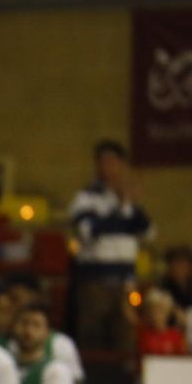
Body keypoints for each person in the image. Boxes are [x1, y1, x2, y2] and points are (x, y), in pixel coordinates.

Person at [69, 140, 151, 351]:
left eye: (114, 162)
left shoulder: (128, 201)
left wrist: (130, 206)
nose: (109, 167)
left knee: (124, 337)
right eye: (104, 162)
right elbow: (87, 231)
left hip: (126, 283)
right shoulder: (86, 197)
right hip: (96, 282)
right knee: (92, 336)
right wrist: (121, 211)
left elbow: (149, 232)